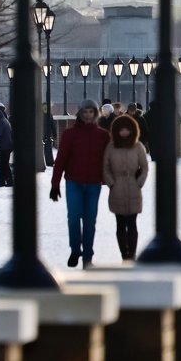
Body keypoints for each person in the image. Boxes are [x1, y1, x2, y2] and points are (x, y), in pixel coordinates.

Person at [50, 99, 111, 268]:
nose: (88, 115)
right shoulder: (70, 134)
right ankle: (76, 249)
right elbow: (61, 160)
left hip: (93, 183)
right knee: (74, 217)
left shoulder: (103, 135)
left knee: (90, 220)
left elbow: (110, 158)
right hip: (74, 182)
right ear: (80, 113)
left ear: (95, 113)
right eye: (85, 112)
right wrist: (55, 185)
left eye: (91, 112)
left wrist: (113, 179)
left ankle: (88, 256)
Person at [103, 114, 149, 262]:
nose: (124, 133)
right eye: (121, 130)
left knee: (132, 223)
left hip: (133, 186)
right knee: (120, 223)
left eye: (127, 130)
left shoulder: (138, 147)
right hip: (117, 187)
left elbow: (145, 167)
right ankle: (124, 254)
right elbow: (106, 168)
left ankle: (132, 254)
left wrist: (139, 183)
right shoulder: (111, 147)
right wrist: (111, 183)